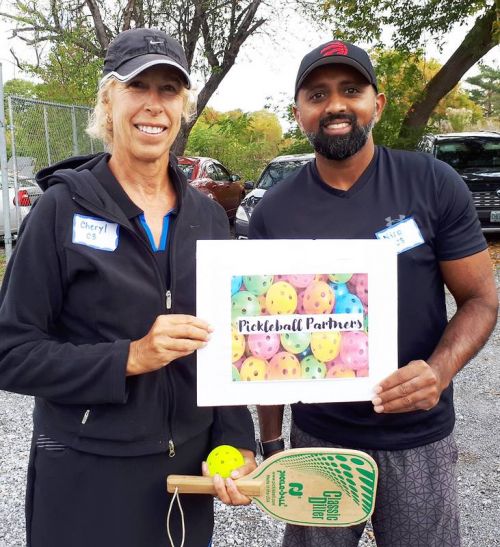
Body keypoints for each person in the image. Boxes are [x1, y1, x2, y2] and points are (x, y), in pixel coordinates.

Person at [0, 28, 256, 547]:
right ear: (108, 100)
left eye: (168, 90)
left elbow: (225, 343)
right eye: (137, 86)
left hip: (184, 476)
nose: (153, 105)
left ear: (183, 106)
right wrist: (129, 358)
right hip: (86, 468)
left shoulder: (207, 217)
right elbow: (11, 352)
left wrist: (236, 440)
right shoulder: (61, 209)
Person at [250, 40, 498, 547]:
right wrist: (272, 438)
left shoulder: (432, 184)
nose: (335, 105)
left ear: (376, 104)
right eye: (317, 94)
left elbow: (481, 299)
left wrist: (439, 371)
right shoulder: (274, 212)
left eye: (351, 90)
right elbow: (263, 337)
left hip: (417, 437)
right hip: (321, 441)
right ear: (299, 113)